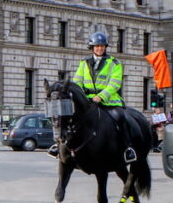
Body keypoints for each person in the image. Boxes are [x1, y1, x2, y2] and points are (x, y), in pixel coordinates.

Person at [49, 31, 135, 162]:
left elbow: (115, 83)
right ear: (92, 48)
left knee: (120, 117)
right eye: (97, 46)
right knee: (67, 118)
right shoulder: (84, 63)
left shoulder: (115, 63)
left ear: (105, 47)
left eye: (102, 46)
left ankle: (128, 148)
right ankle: (59, 145)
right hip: (87, 100)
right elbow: (77, 81)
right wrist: (81, 96)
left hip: (108, 101)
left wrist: (101, 96)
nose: (99, 48)